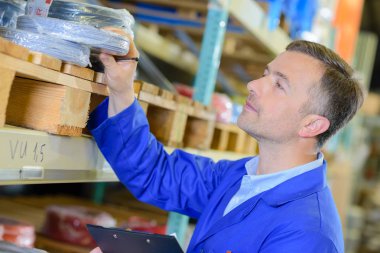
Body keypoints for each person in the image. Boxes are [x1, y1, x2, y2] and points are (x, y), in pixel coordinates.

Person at [88, 28, 363, 253]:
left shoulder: (308, 236)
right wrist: (122, 88)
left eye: (279, 84)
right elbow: (156, 173)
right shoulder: (238, 177)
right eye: (266, 74)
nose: (254, 85)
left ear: (312, 124)